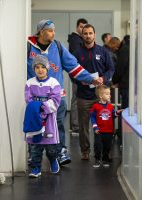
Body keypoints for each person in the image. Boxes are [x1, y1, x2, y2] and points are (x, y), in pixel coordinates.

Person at [27, 19, 103, 166]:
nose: (53, 33)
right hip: (35, 97)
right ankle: (34, 155)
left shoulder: (58, 46)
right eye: (50, 30)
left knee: (57, 125)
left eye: (54, 30)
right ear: (41, 32)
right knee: (35, 125)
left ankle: (60, 153)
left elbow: (73, 67)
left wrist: (91, 79)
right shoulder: (28, 47)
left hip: (56, 97)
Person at [74, 24, 115, 160]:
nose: (88, 36)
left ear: (94, 34)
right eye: (85, 33)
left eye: (90, 33)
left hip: (101, 96)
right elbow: (72, 73)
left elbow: (111, 69)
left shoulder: (103, 51)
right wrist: (81, 81)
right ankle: (85, 150)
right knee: (84, 125)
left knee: (105, 123)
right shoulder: (77, 53)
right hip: (83, 95)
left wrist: (104, 78)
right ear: (82, 35)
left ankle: (104, 150)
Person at [23, 55, 61, 178]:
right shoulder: (29, 83)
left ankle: (53, 160)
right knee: (35, 145)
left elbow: (55, 101)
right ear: (34, 69)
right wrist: (38, 109)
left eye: (43, 67)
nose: (40, 70)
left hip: (49, 119)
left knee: (50, 145)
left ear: (47, 68)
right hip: (34, 118)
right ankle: (36, 167)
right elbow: (29, 100)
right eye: (37, 67)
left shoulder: (53, 83)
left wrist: (42, 108)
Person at [90, 85, 122, 168]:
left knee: (107, 146)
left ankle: (105, 159)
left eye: (109, 93)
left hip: (109, 131)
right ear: (101, 96)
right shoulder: (95, 106)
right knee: (98, 146)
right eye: (107, 94)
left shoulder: (110, 106)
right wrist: (95, 127)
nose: (110, 95)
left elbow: (113, 115)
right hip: (99, 131)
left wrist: (117, 112)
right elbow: (92, 117)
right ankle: (97, 159)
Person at [67, 18, 88, 135]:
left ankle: (76, 125)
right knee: (76, 99)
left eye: (84, 27)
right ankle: (75, 126)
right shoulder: (75, 40)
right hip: (78, 75)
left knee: (77, 99)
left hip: (80, 74)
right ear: (76, 27)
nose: (83, 29)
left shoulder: (79, 39)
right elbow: (78, 58)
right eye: (81, 27)